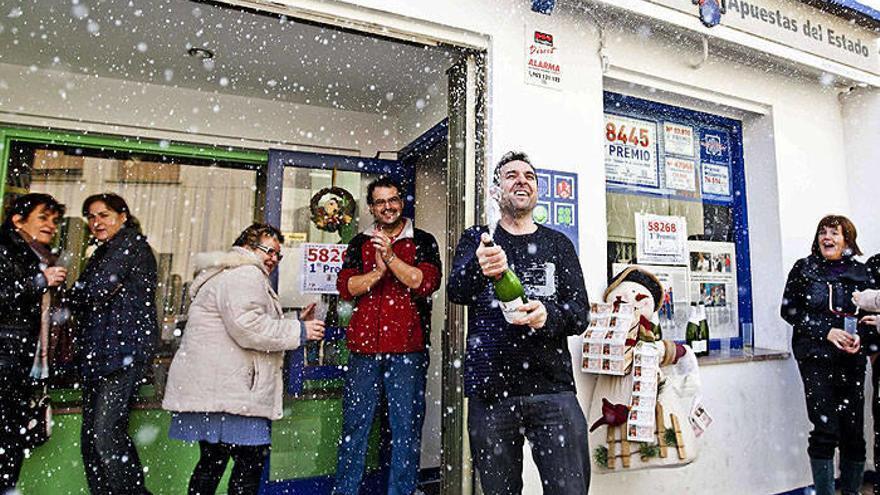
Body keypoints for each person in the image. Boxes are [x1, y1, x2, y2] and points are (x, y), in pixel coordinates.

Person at [447, 151, 590, 495]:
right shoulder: (479, 239)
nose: (522, 180)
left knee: (569, 490)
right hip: (490, 392)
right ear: (496, 190)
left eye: (529, 176)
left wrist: (547, 316)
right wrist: (479, 266)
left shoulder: (558, 244)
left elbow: (580, 313)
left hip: (552, 390)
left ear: (536, 191)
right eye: (511, 175)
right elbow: (456, 291)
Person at [163, 223, 325, 495]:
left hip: (219, 389)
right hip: (233, 393)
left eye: (278, 254)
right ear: (247, 247)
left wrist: (294, 320)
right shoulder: (245, 274)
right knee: (249, 464)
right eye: (268, 251)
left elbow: (245, 321)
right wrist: (299, 330)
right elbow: (248, 328)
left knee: (213, 462)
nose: (273, 258)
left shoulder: (230, 273)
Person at [333, 177, 441, 495]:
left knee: (405, 429)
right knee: (354, 429)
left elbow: (423, 282)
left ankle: (401, 491)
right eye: (380, 202)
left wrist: (391, 258)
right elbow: (347, 287)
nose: (388, 207)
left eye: (393, 200)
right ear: (371, 207)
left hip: (408, 351)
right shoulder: (359, 243)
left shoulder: (423, 240)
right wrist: (377, 272)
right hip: (363, 353)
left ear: (401, 202)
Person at [66, 193, 158, 495]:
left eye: (103, 215)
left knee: (105, 435)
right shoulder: (104, 252)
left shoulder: (129, 245)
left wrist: (81, 294)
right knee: (93, 439)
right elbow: (82, 294)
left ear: (122, 216)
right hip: (101, 352)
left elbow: (93, 290)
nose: (96, 222)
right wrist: (81, 294)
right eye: (91, 217)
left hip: (121, 353)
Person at [780, 214, 870, 495]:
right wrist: (825, 331)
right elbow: (789, 310)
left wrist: (861, 338)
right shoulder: (804, 268)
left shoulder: (862, 273)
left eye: (834, 232)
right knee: (825, 429)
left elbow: (871, 315)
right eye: (822, 232)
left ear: (847, 240)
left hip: (851, 360)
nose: (826, 238)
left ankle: (852, 491)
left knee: (853, 433)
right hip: (815, 358)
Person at [0, 193, 67, 493]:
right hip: (6, 359)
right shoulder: (6, 250)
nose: (51, 225)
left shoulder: (37, 256)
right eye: (43, 217)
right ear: (18, 220)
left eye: (55, 220)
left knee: (10, 443)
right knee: (6, 442)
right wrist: (39, 282)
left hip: (19, 362)